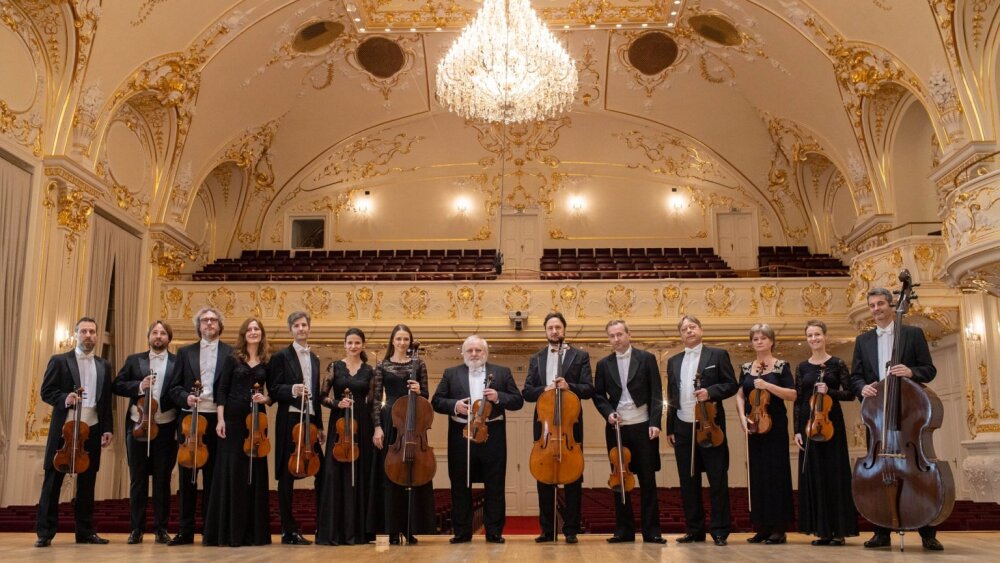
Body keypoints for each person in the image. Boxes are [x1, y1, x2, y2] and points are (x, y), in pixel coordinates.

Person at [850, 287, 942, 551]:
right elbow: (855, 375)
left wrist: (911, 372)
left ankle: (927, 532)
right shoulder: (864, 341)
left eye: (881, 304)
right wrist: (862, 388)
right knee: (879, 472)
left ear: (891, 306)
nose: (876, 309)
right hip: (878, 416)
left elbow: (929, 369)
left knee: (918, 472)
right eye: (872, 305)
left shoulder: (912, 334)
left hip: (908, 411)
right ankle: (881, 532)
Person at [432, 335, 524, 544]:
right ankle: (462, 532)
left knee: (495, 484)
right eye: (470, 351)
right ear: (463, 353)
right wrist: (455, 405)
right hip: (460, 436)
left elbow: (517, 400)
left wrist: (499, 396)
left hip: (493, 436)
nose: (474, 354)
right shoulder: (451, 373)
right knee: (460, 484)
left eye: (478, 350)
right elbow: (436, 401)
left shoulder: (502, 372)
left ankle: (493, 531)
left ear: (486, 353)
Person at [34, 317, 114, 548]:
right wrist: (64, 398)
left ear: (97, 336)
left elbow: (105, 402)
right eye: (84, 331)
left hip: (93, 428)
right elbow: (46, 391)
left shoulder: (103, 365)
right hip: (65, 429)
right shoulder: (59, 361)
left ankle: (85, 531)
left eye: (92, 332)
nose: (88, 335)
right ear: (76, 334)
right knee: (53, 481)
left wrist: (107, 428)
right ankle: (45, 532)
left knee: (88, 483)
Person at [665, 314, 737, 546]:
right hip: (682, 425)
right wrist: (670, 428)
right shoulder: (673, 361)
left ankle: (719, 530)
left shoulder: (717, 354)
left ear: (701, 330)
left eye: (692, 327)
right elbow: (671, 397)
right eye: (684, 329)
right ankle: (695, 530)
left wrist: (710, 392)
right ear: (681, 335)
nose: (689, 331)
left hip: (710, 425)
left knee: (717, 478)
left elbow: (730, 385)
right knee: (688, 481)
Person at [522, 312, 593, 544]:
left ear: (564, 329)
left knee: (573, 481)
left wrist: (569, 385)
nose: (554, 331)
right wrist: (544, 389)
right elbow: (527, 392)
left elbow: (589, 389)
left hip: (570, 428)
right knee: (544, 479)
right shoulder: (537, 358)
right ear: (545, 331)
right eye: (550, 327)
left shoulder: (580, 356)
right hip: (544, 429)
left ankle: (571, 529)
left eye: (558, 327)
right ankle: (547, 530)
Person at [593, 319, 666, 544]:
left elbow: (656, 392)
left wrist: (655, 422)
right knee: (620, 480)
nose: (616, 339)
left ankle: (651, 531)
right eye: (612, 336)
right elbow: (598, 395)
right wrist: (608, 413)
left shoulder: (646, 359)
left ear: (628, 335)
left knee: (647, 479)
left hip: (644, 426)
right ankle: (624, 530)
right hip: (617, 428)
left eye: (619, 334)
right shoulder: (604, 364)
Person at [203, 318, 272, 546]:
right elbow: (221, 390)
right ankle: (228, 532)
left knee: (255, 473)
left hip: (256, 422)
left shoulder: (267, 361)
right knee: (232, 472)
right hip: (232, 420)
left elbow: (273, 393)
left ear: (262, 334)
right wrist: (220, 420)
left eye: (257, 329)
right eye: (249, 329)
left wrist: (266, 398)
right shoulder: (233, 358)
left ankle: (253, 534)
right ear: (244, 334)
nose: (253, 332)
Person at [167, 307, 233, 545]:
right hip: (189, 420)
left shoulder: (231, 352)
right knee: (188, 478)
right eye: (205, 320)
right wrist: (186, 397)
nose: (209, 324)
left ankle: (210, 529)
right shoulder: (185, 352)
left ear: (219, 325)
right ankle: (185, 530)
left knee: (213, 477)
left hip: (217, 419)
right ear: (199, 326)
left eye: (213, 320)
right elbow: (174, 387)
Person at [112, 320, 180, 545]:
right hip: (138, 425)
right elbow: (117, 385)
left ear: (168, 339)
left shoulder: (177, 362)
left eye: (162, 333)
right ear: (149, 337)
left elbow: (180, 391)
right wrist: (139, 387)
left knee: (162, 480)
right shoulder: (134, 360)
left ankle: (161, 528)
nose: (158, 336)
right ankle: (136, 528)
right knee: (138, 480)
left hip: (166, 426)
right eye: (154, 333)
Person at [793, 319, 858, 546]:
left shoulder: (837, 363)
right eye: (810, 335)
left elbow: (850, 394)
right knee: (815, 476)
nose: (814, 339)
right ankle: (822, 531)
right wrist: (797, 431)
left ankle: (839, 530)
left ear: (825, 336)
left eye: (817, 334)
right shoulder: (802, 368)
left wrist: (830, 391)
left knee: (834, 474)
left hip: (832, 424)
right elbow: (799, 401)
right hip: (809, 426)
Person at [371, 324, 435, 544]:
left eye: (406, 339)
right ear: (393, 341)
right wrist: (377, 427)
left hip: (414, 421)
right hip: (392, 421)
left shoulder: (419, 364)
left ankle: (410, 529)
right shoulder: (382, 365)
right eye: (398, 339)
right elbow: (376, 399)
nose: (402, 342)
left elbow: (426, 398)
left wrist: (419, 390)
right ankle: (391, 530)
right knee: (391, 477)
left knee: (413, 475)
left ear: (410, 341)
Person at [736, 323, 796, 545]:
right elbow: (740, 395)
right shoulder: (745, 368)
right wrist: (742, 417)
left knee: (776, 475)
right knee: (758, 476)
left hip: (776, 427)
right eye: (755, 338)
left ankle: (778, 528)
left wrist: (767, 386)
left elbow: (792, 394)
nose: (759, 341)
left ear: (771, 341)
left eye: (763, 338)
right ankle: (761, 527)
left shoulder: (781, 366)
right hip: (754, 426)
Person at [268, 311, 324, 545]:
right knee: (287, 474)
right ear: (290, 329)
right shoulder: (281, 356)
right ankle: (288, 530)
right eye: (296, 326)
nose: (301, 329)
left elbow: (317, 396)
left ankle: (323, 525)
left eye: (304, 325)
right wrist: (292, 390)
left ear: (309, 328)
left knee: (322, 473)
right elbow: (273, 388)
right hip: (290, 419)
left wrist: (320, 425)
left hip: (310, 420)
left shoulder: (315, 359)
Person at [316, 328, 376, 546]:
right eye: (349, 342)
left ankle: (358, 532)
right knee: (334, 474)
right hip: (340, 422)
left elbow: (372, 403)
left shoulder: (370, 371)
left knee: (359, 475)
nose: (353, 346)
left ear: (363, 344)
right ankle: (334, 532)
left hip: (362, 424)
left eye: (357, 342)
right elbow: (322, 396)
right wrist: (337, 403)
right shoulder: (334, 367)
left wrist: (376, 428)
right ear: (344, 344)